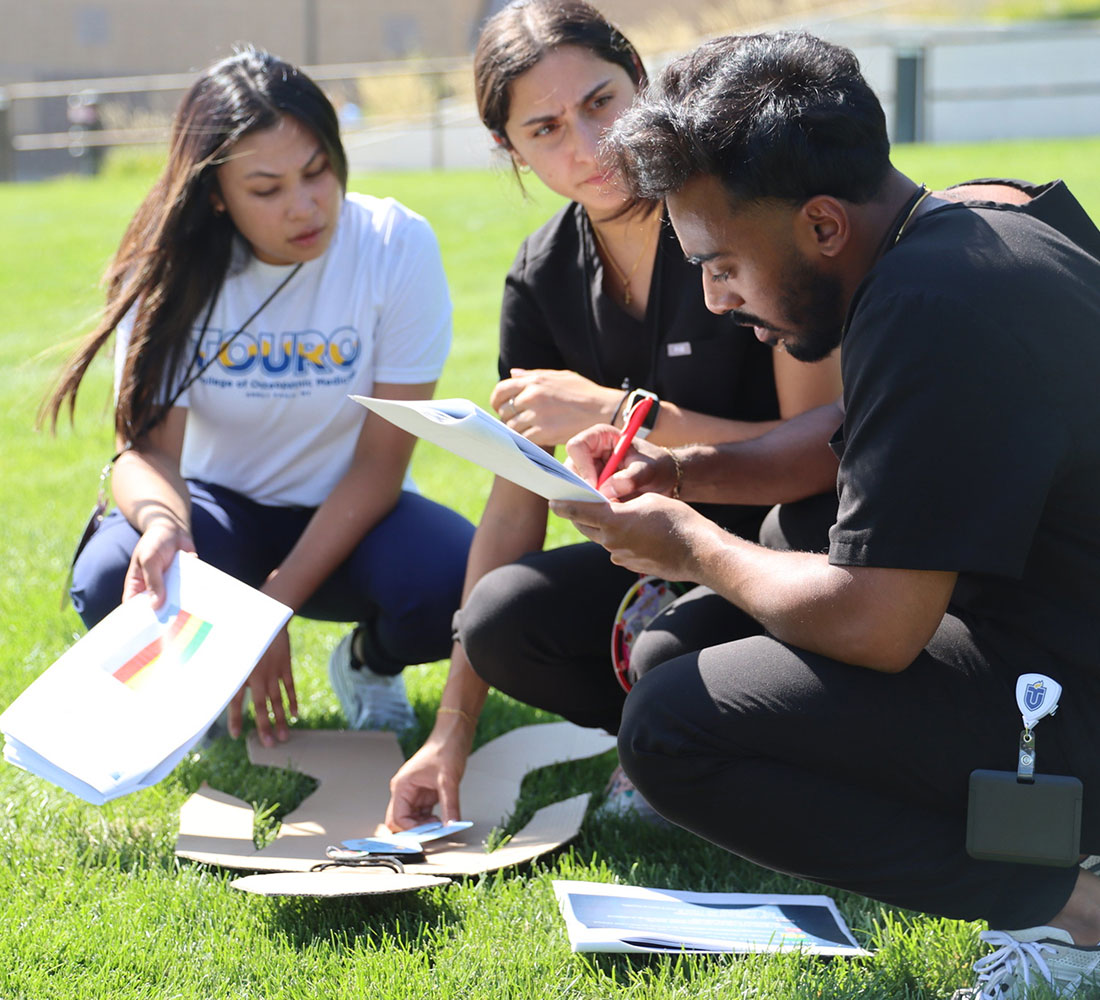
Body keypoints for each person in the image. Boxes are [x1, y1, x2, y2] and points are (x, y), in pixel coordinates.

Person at [548, 30, 1100, 1000]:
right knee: (685, 646)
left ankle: (1072, 910)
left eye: (721, 262)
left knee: (674, 729)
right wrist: (676, 471)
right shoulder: (973, 222)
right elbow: (849, 436)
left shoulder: (928, 305)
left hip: (1072, 689)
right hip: (1046, 619)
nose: (714, 297)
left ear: (820, 225)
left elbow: (876, 626)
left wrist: (689, 546)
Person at [384, 0, 841, 832]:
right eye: (545, 129)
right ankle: (662, 730)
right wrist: (452, 730)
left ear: (640, 79)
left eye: (602, 102)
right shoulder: (540, 277)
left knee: (682, 636)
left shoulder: (738, 211)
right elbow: (514, 503)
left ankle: (704, 733)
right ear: (508, 148)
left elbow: (824, 449)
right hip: (654, 560)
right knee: (499, 618)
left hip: (792, 545)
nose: (590, 145)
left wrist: (621, 412)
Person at [41, 46, 474, 747]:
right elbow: (145, 452)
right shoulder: (170, 273)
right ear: (216, 194)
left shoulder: (395, 244)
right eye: (267, 190)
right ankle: (199, 690)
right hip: (218, 517)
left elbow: (380, 465)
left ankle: (368, 664)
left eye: (318, 171)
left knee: (458, 583)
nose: (305, 206)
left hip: (355, 514)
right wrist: (164, 524)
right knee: (111, 572)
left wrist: (271, 609)